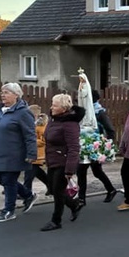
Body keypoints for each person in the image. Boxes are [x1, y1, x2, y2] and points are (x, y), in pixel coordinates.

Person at [0, 82, 37, 223]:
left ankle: (9, 210)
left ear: (16, 95)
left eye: (7, 92)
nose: (3, 95)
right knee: (3, 180)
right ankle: (28, 195)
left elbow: (30, 135)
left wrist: (32, 154)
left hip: (14, 154)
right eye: (2, 92)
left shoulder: (23, 113)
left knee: (8, 181)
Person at [40, 93, 83, 231]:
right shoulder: (54, 120)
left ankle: (56, 220)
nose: (51, 107)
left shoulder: (70, 124)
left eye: (55, 105)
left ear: (63, 108)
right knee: (52, 189)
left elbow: (74, 148)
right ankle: (74, 204)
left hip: (63, 162)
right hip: (52, 160)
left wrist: (70, 170)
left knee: (58, 192)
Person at [76, 75, 118, 206]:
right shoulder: (82, 111)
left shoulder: (99, 112)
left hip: (94, 145)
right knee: (81, 171)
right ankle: (82, 198)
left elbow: (110, 129)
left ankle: (111, 189)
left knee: (96, 171)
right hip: (83, 144)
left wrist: (106, 147)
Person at [23, 104, 50, 195]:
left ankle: (26, 192)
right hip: (32, 153)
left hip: (38, 154)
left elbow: (43, 141)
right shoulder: (32, 125)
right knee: (37, 173)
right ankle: (51, 186)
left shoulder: (42, 126)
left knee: (29, 174)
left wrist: (31, 140)